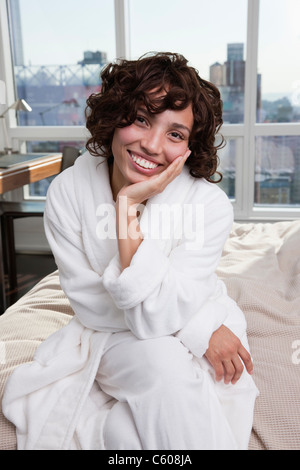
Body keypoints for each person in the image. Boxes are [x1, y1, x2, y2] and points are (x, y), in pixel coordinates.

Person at [2, 52, 258, 450]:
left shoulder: (209, 206)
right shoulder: (68, 193)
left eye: (175, 134)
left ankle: (108, 431)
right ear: (115, 116)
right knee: (163, 363)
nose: (152, 145)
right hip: (110, 337)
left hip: (188, 316)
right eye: (141, 119)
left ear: (191, 146)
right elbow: (93, 305)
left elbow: (180, 294)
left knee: (131, 428)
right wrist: (126, 210)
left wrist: (176, 315)